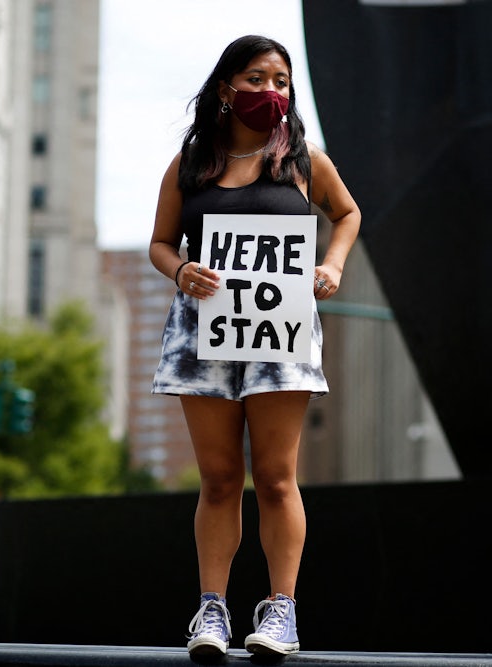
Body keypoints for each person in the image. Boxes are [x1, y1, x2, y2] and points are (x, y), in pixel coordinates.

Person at [149, 35, 361, 658]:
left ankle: (282, 613)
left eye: (281, 82)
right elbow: (160, 243)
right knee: (218, 479)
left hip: (282, 332)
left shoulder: (302, 159)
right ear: (226, 88)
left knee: (275, 477)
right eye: (257, 79)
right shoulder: (191, 163)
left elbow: (346, 214)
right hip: (202, 332)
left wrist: (334, 266)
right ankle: (211, 611)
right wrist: (179, 271)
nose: (272, 92)